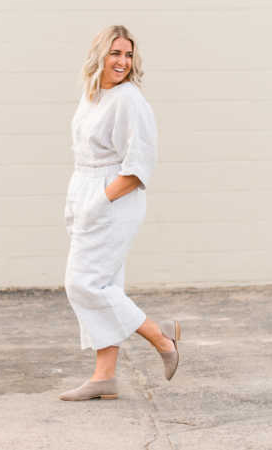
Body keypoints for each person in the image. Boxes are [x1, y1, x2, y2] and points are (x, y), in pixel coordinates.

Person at [59, 25, 182, 402]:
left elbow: (140, 164)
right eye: (116, 53)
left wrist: (99, 200)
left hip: (114, 197)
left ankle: (159, 337)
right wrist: (80, 198)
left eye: (128, 55)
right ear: (99, 55)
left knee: (82, 283)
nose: (122, 62)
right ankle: (104, 376)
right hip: (86, 189)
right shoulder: (93, 94)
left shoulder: (130, 100)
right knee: (105, 283)